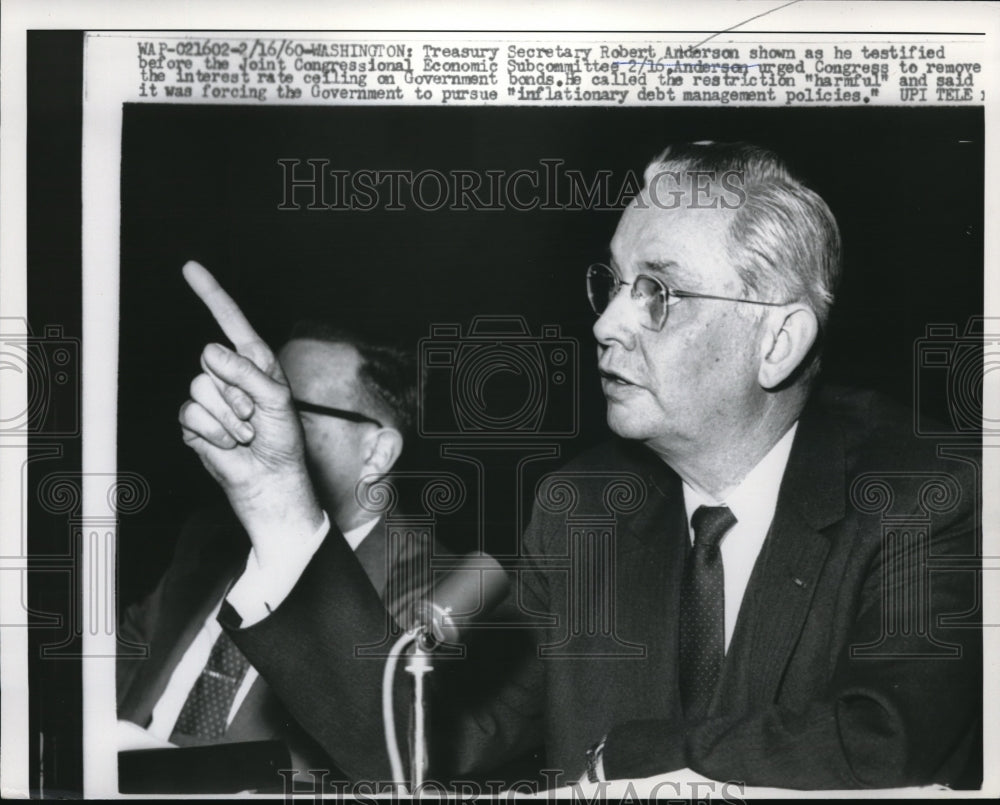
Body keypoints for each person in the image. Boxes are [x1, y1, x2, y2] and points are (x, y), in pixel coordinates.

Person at [175, 142, 981, 790]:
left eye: (656, 292)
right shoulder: (584, 509)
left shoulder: (924, 490)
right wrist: (278, 501)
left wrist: (625, 760)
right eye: (613, 283)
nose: (604, 322)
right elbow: (418, 744)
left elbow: (889, 741)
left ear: (776, 341)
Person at [117, 320, 426, 786]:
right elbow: (121, 653)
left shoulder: (441, 589)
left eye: (292, 411)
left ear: (378, 453)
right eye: (258, 401)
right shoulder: (209, 537)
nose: (257, 423)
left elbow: (401, 755)